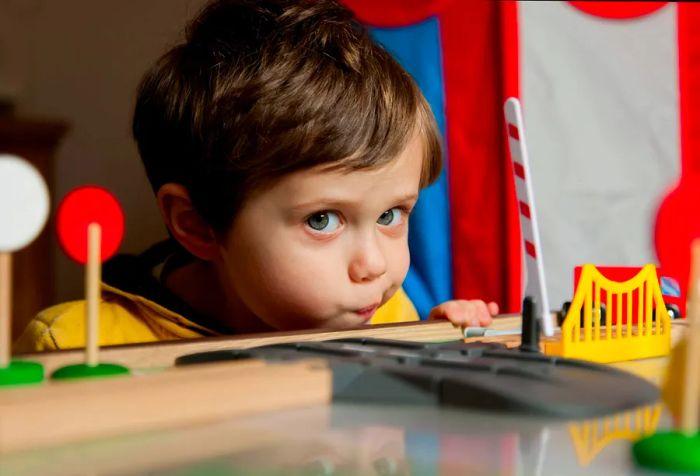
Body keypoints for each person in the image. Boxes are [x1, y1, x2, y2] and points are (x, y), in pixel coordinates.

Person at [15, 0, 498, 352]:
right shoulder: (73, 346)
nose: (374, 265)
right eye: (324, 220)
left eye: (392, 214)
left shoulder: (387, 317)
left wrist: (431, 354)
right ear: (197, 223)